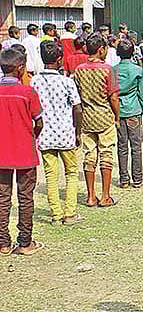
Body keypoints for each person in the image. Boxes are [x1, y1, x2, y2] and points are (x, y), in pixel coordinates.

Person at [32, 40, 84, 226]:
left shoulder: (35, 81)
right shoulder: (66, 81)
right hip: (65, 133)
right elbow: (77, 108)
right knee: (71, 173)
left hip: (45, 134)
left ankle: (55, 214)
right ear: (60, 59)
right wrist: (78, 132)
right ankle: (69, 213)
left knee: (50, 175)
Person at [0, 47, 44, 255]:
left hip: (2, 154)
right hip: (25, 151)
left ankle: (3, 243)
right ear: (19, 69)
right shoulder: (27, 92)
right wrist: (31, 134)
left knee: (2, 198)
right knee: (26, 198)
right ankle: (25, 242)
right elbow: (39, 122)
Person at [73, 32, 120, 208]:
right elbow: (114, 98)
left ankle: (91, 196)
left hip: (86, 118)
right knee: (106, 155)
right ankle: (105, 195)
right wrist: (117, 117)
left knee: (89, 156)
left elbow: (76, 97)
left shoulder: (79, 70)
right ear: (101, 50)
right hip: (105, 117)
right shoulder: (108, 69)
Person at [113, 39, 143, 189]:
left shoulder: (113, 70)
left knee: (122, 146)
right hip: (135, 110)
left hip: (119, 111)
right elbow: (142, 93)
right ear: (133, 52)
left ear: (117, 53)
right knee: (136, 146)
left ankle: (123, 179)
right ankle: (138, 179)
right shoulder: (137, 70)